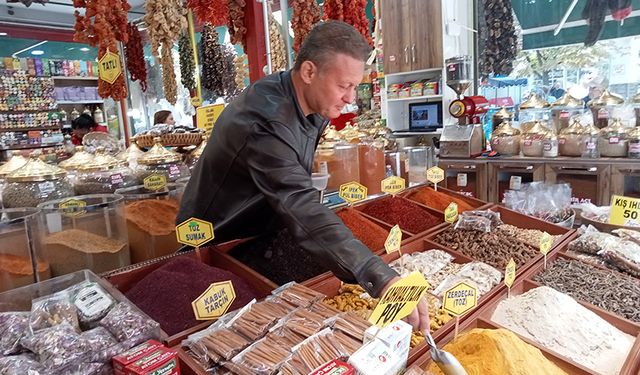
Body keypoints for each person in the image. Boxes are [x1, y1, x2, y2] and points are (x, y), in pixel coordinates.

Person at [178, 21, 429, 332]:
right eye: (343, 86)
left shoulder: (309, 102)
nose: (351, 98)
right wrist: (376, 274)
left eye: (354, 86)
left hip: (265, 229)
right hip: (220, 240)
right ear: (310, 72)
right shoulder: (266, 121)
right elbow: (298, 202)